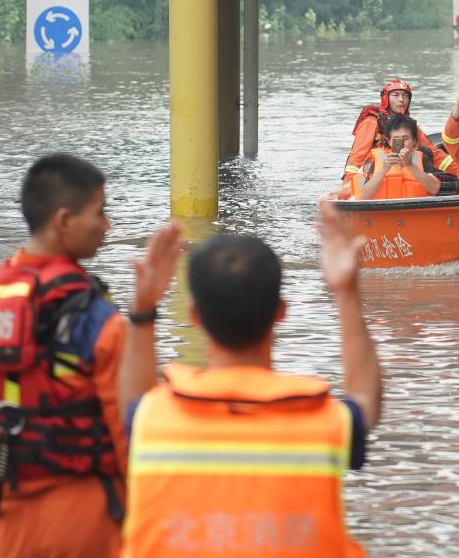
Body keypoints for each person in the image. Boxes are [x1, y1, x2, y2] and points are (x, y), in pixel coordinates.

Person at [119, 201, 380, 557]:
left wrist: (143, 309)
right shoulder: (324, 423)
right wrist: (347, 293)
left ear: (195, 316)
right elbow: (366, 400)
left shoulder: (153, 421)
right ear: (281, 314)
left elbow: (133, 404)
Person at [0, 153, 141, 557]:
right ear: (64, 221)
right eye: (100, 212)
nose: (107, 225)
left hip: (10, 520)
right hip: (94, 519)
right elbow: (129, 433)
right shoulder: (95, 316)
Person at [342, 79, 459, 185]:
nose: (401, 100)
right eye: (396, 95)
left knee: (426, 153)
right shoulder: (371, 123)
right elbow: (357, 157)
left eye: (405, 96)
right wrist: (349, 185)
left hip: (405, 170)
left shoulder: (409, 125)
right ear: (386, 99)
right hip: (375, 173)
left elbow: (435, 154)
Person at [353, 116, 440, 199]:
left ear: (414, 141)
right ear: (389, 141)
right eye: (396, 139)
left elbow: (434, 189)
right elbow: (363, 196)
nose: (401, 143)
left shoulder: (423, 158)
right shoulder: (379, 160)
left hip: (413, 210)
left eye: (405, 139)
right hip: (385, 211)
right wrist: (383, 170)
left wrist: (410, 165)